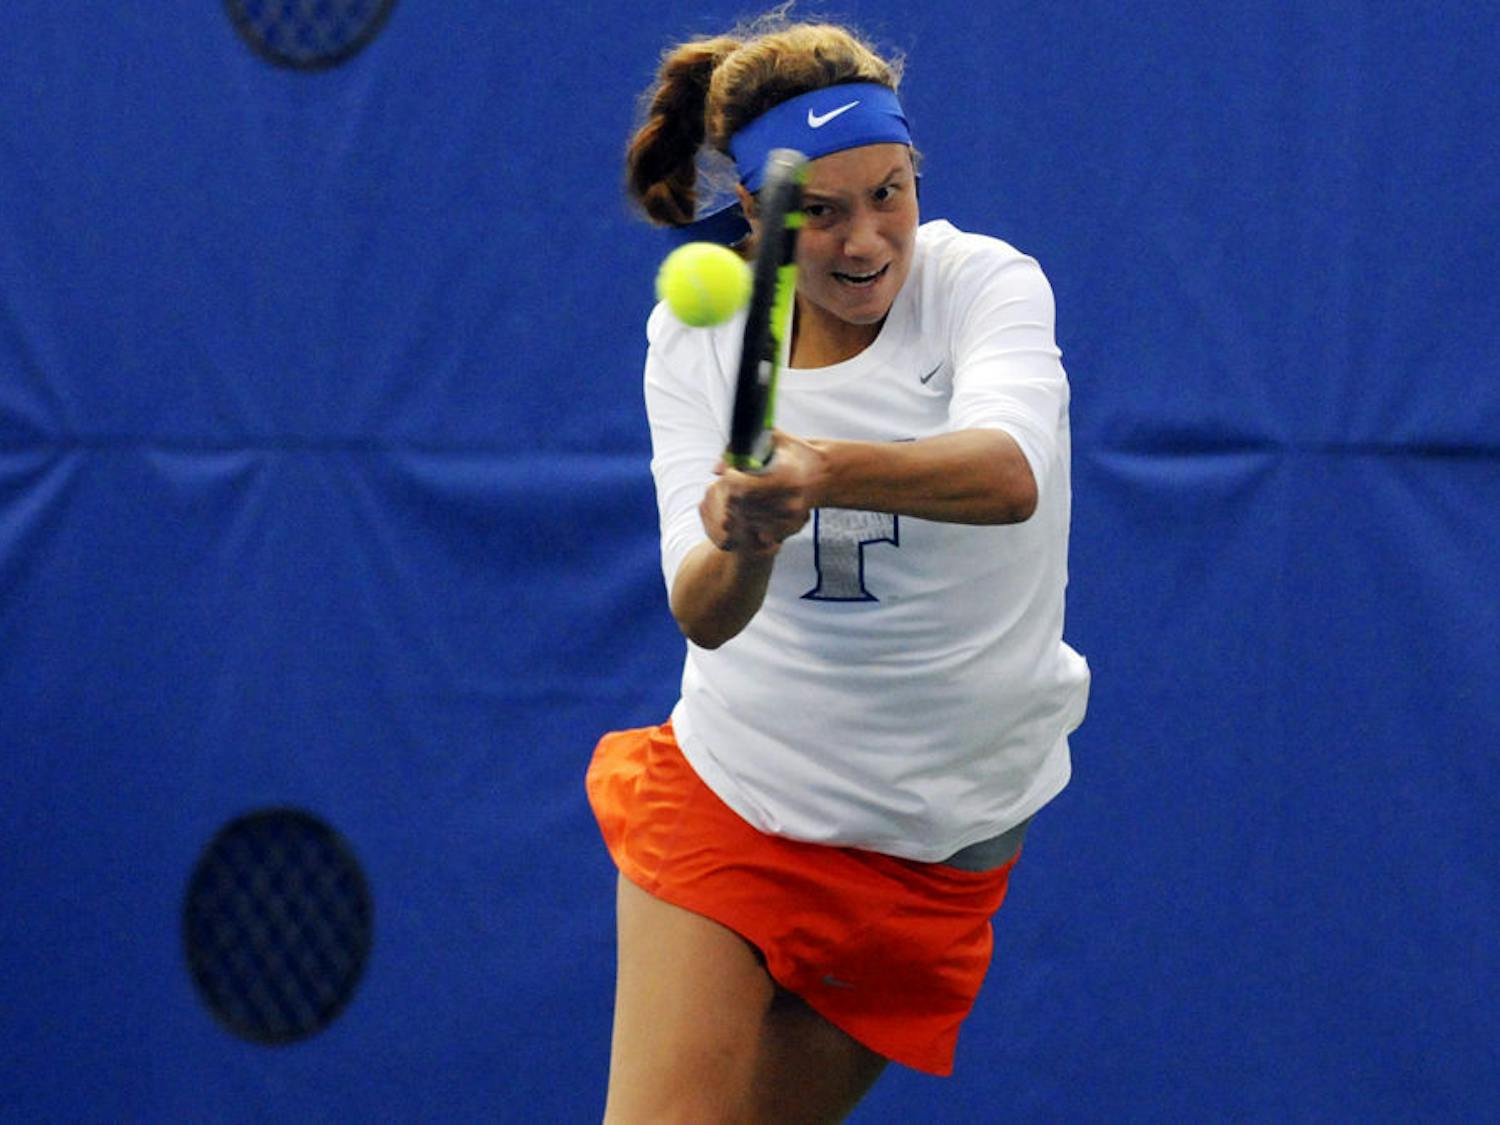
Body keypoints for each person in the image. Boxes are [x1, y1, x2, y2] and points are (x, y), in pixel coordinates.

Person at [588, 12, 1090, 1122]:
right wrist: (750, 542)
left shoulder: (985, 284)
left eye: (890, 193)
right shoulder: (697, 341)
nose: (866, 241)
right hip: (741, 791)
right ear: (757, 215)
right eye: (818, 211)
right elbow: (703, 613)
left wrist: (817, 471)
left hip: (939, 841)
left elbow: (1011, 477)